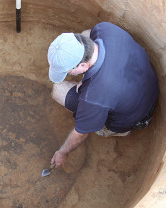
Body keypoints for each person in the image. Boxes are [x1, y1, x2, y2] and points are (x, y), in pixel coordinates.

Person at [48, 22, 158, 168]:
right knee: (87, 32)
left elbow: (81, 133)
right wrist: (86, 79)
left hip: (129, 119)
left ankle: (114, 131)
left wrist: (62, 152)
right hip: (143, 86)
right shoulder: (105, 28)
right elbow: (88, 35)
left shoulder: (93, 97)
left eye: (68, 71)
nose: (67, 74)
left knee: (58, 90)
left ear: (82, 66)